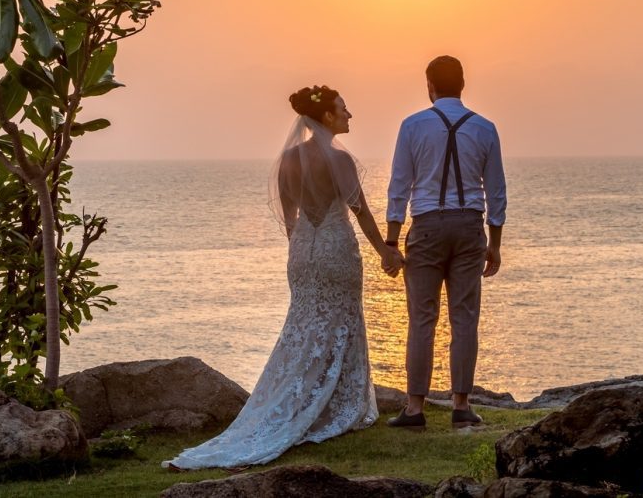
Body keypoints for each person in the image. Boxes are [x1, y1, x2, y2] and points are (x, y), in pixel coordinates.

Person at [163, 85, 404, 471]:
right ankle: (336, 408)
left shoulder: (288, 159)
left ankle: (301, 401)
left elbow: (290, 219)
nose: (349, 115)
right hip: (335, 248)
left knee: (304, 326)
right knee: (341, 323)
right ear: (326, 117)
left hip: (303, 252)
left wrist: (303, 252)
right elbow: (360, 213)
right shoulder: (340, 160)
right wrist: (386, 252)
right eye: (343, 109)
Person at [385, 55, 506, 430]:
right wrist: (495, 242)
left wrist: (391, 240)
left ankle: (415, 408)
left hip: (426, 226)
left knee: (422, 318)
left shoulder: (412, 125)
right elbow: (497, 193)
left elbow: (399, 187)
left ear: (429, 86)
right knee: (464, 317)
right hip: (470, 227)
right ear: (463, 85)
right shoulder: (485, 128)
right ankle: (461, 404)